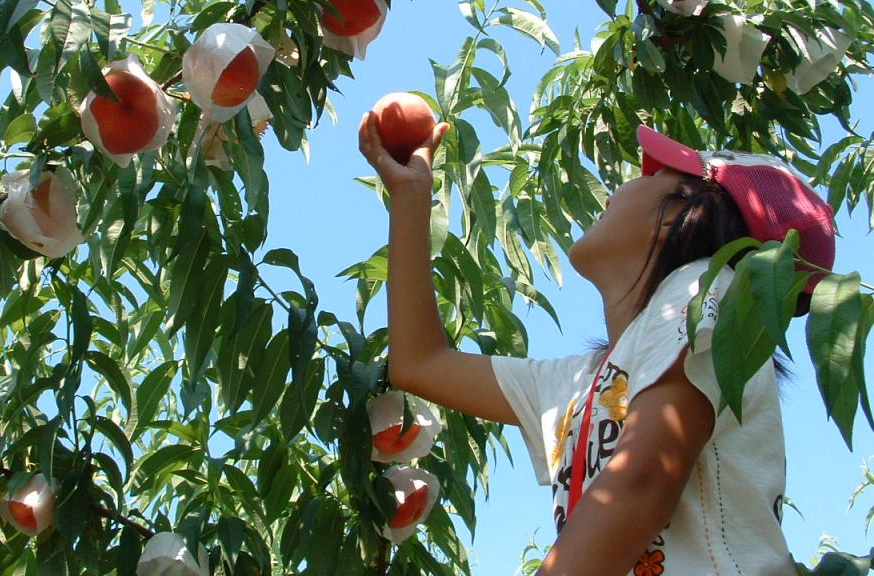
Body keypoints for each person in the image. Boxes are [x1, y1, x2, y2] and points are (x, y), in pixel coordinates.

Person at [357, 115, 836, 576]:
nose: (619, 186)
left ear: (676, 213)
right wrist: (411, 194)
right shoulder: (585, 382)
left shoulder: (707, 289)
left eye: (653, 174)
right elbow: (419, 363)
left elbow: (642, 482)